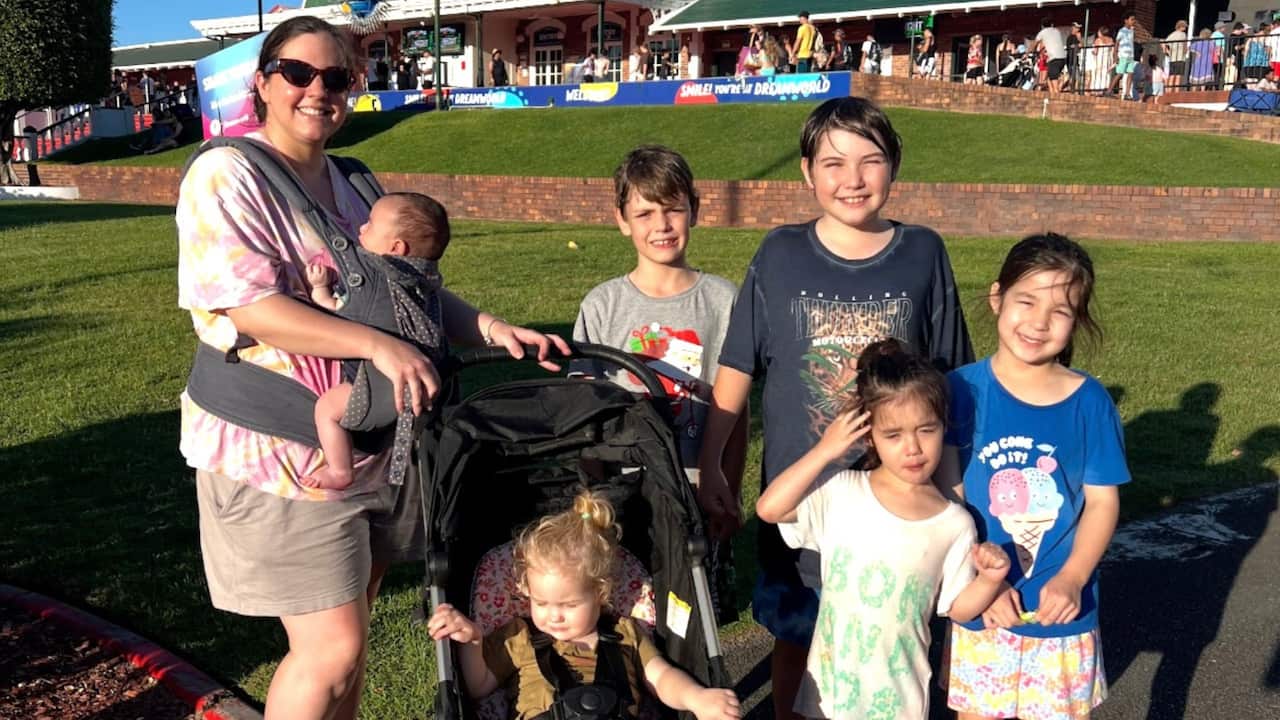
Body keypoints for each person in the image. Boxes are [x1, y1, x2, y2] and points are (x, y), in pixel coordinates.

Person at [176, 16, 569, 720]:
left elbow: (408, 286)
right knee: (331, 649)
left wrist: (490, 326)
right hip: (280, 447)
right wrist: (378, 348)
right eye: (298, 73)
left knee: (351, 646)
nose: (317, 89)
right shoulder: (227, 172)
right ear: (263, 82)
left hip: (374, 446)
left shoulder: (356, 181)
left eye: (337, 78)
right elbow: (252, 309)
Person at [696, 96, 974, 720]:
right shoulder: (781, 254)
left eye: (870, 161)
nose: (853, 179)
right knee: (799, 635)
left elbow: (949, 380)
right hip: (807, 500)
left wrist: (953, 493)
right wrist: (712, 465)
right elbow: (738, 366)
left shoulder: (923, 252)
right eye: (833, 163)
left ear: (895, 166)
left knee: (896, 644)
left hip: (901, 504)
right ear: (806, 173)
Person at [756, 339, 1010, 719]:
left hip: (900, 702)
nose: (913, 447)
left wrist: (991, 579)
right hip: (829, 697)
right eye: (893, 435)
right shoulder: (842, 492)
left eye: (927, 429)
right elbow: (769, 508)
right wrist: (826, 450)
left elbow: (958, 608)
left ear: (944, 427)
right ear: (869, 434)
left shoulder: (954, 522)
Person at [941, 233, 1129, 720]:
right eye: (1026, 301)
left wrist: (1073, 576)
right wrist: (979, 582)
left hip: (1062, 613)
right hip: (984, 605)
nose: (1039, 322)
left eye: (1061, 311)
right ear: (996, 297)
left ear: (1077, 322)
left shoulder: (1089, 401)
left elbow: (1103, 503)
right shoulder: (960, 390)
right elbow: (946, 497)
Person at [571, 145, 747, 624]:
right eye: (645, 213)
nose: (661, 224)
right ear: (622, 220)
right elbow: (584, 411)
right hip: (624, 492)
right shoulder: (603, 305)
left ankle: (698, 698)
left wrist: (725, 481)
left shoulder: (722, 300)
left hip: (697, 488)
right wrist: (592, 492)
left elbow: (735, 409)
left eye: (673, 209)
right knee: (627, 619)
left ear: (695, 208)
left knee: (694, 621)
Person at [426, 490, 742, 720]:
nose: (553, 616)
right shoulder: (519, 637)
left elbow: (661, 679)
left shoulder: (625, 633)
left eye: (569, 604)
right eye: (541, 602)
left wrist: (696, 697)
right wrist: (473, 639)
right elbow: (479, 687)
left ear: (600, 594)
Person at [302, 193, 450, 490]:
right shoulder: (425, 280)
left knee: (327, 410)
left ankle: (340, 469)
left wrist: (320, 290)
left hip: (381, 386)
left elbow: (333, 317)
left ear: (396, 247)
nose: (360, 229)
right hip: (427, 384)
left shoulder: (372, 279)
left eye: (369, 225)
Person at [1035, 18, 1068, 93]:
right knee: (1050, 78)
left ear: (1042, 26)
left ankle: (1056, 95)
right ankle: (1052, 93)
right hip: (1062, 58)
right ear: (1051, 24)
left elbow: (1036, 44)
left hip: (1053, 59)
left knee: (1050, 80)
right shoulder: (1056, 31)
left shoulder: (1043, 33)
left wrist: (1028, 53)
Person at [1114, 12, 1138, 99]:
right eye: (1132, 19)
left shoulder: (1131, 31)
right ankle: (1109, 90)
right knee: (1120, 73)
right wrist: (1115, 56)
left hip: (1130, 56)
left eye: (1134, 19)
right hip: (1123, 55)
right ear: (1126, 20)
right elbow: (1117, 43)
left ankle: (1127, 93)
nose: (1133, 21)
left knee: (1130, 74)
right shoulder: (1122, 31)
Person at [1164, 19, 1190, 92]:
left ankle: (1168, 90)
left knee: (1171, 75)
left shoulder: (1172, 34)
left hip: (1172, 58)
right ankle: (1176, 91)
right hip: (1180, 57)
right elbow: (1185, 46)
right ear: (1181, 26)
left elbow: (1164, 43)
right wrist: (1186, 51)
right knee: (1178, 76)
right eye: (1184, 27)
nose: (1185, 28)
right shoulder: (1183, 35)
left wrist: (1168, 52)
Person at [1066, 22, 1084, 91]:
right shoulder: (1070, 37)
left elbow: (1081, 45)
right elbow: (1070, 46)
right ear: (1073, 28)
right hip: (1071, 59)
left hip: (1075, 59)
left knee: (1075, 77)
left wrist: (1079, 39)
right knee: (1073, 76)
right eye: (1077, 27)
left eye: (1079, 28)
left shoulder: (1076, 37)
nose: (1078, 29)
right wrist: (1076, 45)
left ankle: (1074, 90)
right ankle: (1073, 90)